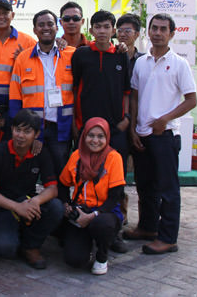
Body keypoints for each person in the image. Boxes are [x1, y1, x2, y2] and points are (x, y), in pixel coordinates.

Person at [125, 13, 197, 255]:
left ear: (172, 33)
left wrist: (165, 119)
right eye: (154, 28)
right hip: (142, 134)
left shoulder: (179, 64)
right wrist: (134, 128)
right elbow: (135, 97)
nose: (157, 33)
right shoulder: (141, 63)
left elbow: (191, 100)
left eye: (163, 29)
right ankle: (147, 228)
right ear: (148, 31)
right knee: (145, 187)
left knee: (168, 189)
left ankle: (168, 238)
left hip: (165, 135)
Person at [71, 9, 131, 253]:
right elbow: (74, 90)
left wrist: (126, 119)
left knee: (116, 183)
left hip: (115, 130)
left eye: (107, 27)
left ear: (113, 30)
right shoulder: (82, 54)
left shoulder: (121, 56)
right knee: (85, 176)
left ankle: (112, 230)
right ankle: (81, 222)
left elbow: (126, 91)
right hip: (87, 131)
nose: (102, 31)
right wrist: (77, 125)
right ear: (91, 30)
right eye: (98, 27)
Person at [0, 109, 64, 269]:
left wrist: (36, 201)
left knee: (56, 207)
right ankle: (2, 236)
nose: (21, 136)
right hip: (5, 207)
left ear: (36, 134)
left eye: (27, 131)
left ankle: (31, 246)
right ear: (11, 129)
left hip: (28, 202)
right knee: (6, 249)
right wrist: (17, 207)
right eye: (18, 130)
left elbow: (52, 189)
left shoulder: (41, 153)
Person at [9, 9, 75, 176]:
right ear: (35, 30)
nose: (46, 28)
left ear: (57, 27)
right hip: (32, 128)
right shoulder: (23, 59)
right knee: (28, 173)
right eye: (41, 25)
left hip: (61, 127)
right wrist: (20, 129)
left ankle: (60, 194)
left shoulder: (71, 55)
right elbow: (15, 97)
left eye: (50, 24)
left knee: (61, 172)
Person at [59, 117, 126, 276]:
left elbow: (115, 197)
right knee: (74, 260)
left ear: (107, 137)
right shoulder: (76, 156)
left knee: (102, 224)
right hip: (81, 210)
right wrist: (66, 204)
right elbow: (62, 184)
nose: (95, 141)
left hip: (104, 212)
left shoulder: (114, 158)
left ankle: (102, 256)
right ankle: (85, 243)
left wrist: (93, 215)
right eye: (91, 135)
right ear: (84, 136)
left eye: (100, 136)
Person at [116, 12, 144, 79]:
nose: (122, 34)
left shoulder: (143, 60)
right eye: (119, 31)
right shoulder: (111, 57)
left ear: (137, 34)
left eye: (127, 31)